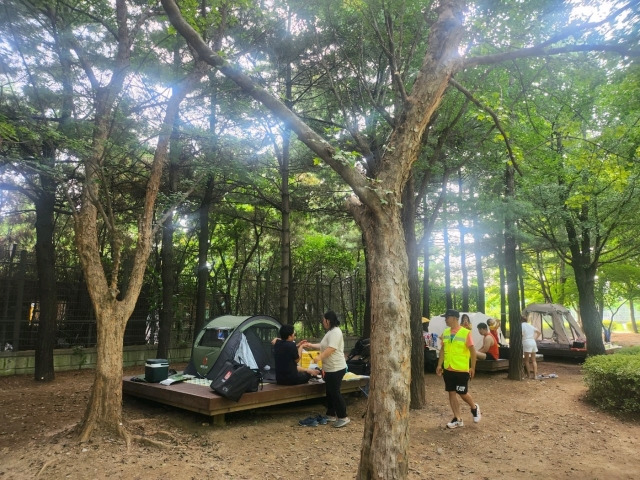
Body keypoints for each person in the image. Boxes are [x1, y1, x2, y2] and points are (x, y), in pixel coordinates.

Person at [300, 311, 349, 428]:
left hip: (336, 367)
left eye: (323, 320)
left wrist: (319, 357)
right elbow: (323, 345)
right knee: (330, 392)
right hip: (329, 368)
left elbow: (331, 348)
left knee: (335, 392)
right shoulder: (330, 332)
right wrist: (311, 345)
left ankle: (343, 416)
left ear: (328, 320)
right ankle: (331, 414)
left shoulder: (336, 332)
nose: (323, 322)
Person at [436, 309, 481, 429]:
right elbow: (442, 350)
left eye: (447, 317)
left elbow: (472, 351)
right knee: (451, 392)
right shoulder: (445, 332)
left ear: (454, 318)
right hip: (448, 368)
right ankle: (458, 418)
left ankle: (474, 407)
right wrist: (439, 365)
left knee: (462, 393)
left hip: (461, 369)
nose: (445, 319)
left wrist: (472, 367)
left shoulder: (465, 333)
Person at [521, 315, 541, 379]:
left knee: (526, 360)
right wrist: (535, 338)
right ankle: (535, 375)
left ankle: (529, 375)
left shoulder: (521, 326)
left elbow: (521, 334)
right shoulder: (530, 326)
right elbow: (539, 332)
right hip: (533, 342)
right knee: (533, 360)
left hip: (526, 342)